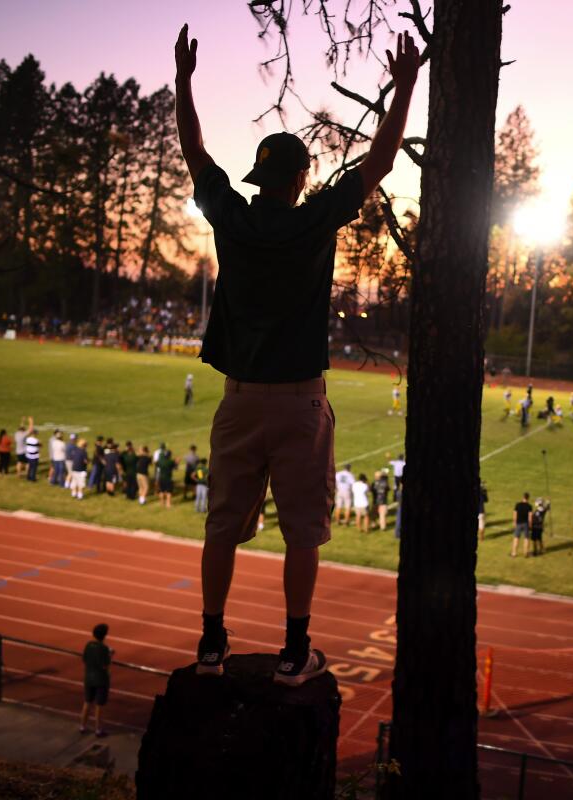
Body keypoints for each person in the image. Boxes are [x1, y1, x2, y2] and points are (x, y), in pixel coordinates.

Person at [175, 23, 421, 684]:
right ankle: (294, 649)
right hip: (300, 400)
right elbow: (381, 162)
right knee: (303, 533)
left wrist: (184, 80)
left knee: (222, 527)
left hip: (239, 397)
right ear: (301, 178)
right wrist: (404, 86)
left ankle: (211, 641)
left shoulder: (232, 214)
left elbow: (194, 149)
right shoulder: (315, 218)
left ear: (259, 176)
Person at [80, 623, 112, 737]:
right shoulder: (103, 648)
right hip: (101, 680)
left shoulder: (88, 645)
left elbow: (84, 659)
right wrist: (110, 655)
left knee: (87, 702)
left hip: (88, 678)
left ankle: (82, 726)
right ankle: (98, 729)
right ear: (105, 635)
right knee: (99, 705)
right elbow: (105, 665)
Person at [511, 492, 532, 557]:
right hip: (526, 524)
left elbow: (515, 514)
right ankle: (526, 553)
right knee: (526, 538)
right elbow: (530, 517)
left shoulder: (518, 505)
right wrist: (530, 525)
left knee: (516, 538)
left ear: (523, 497)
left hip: (518, 523)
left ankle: (514, 553)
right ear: (528, 498)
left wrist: (514, 522)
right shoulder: (529, 506)